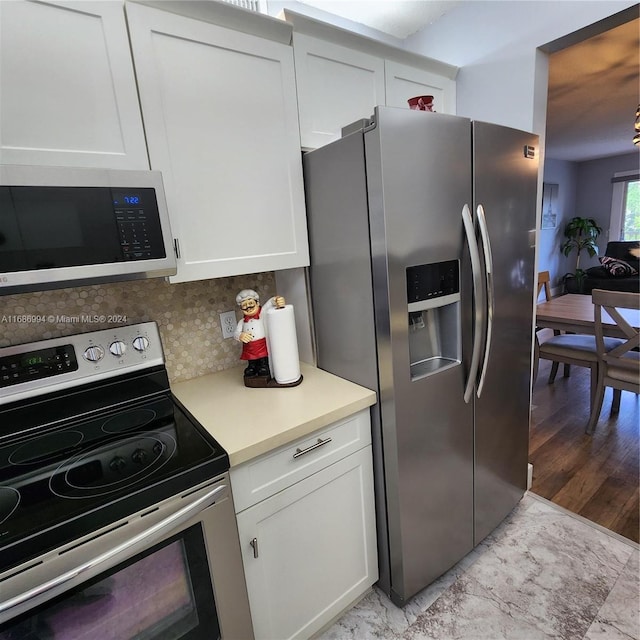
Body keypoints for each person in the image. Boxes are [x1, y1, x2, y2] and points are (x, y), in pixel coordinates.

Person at [233, 289, 285, 378]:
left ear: (257, 303)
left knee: (263, 359)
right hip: (249, 347)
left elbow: (269, 304)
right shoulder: (242, 322)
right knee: (251, 360)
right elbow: (236, 333)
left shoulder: (262, 314)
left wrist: (276, 300)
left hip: (262, 345)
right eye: (244, 305)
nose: (248, 307)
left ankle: (263, 366)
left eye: (250, 303)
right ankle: (252, 367)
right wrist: (240, 335)